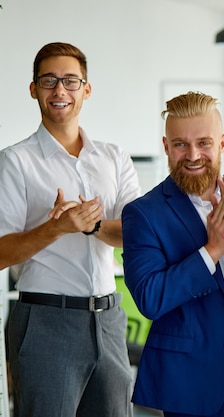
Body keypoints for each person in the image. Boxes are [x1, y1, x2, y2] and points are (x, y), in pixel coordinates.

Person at [0, 42, 141, 417]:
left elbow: (136, 234)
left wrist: (92, 226)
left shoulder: (114, 157)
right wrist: (56, 228)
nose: (59, 90)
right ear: (34, 89)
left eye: (70, 81)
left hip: (109, 319)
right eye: (48, 81)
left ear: (86, 89)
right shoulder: (16, 161)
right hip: (46, 321)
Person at [121, 91, 224, 417]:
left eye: (204, 142)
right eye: (180, 144)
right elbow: (150, 298)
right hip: (193, 379)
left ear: (223, 142)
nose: (193, 154)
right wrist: (212, 250)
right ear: (165, 146)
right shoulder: (143, 213)